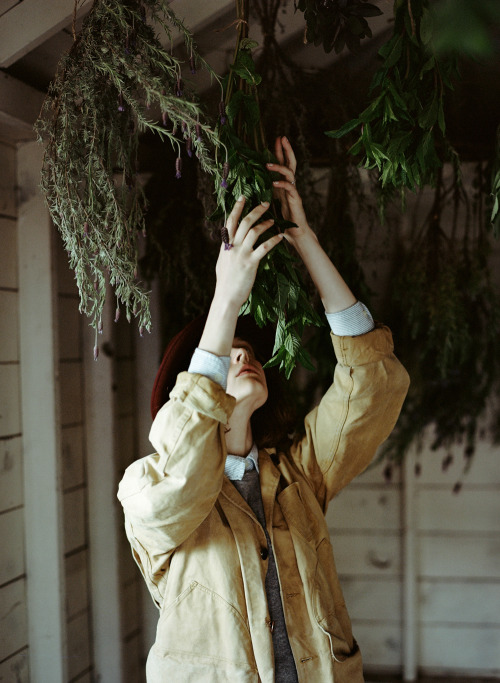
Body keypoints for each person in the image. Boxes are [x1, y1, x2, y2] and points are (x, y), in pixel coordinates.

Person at [117, 137, 410, 682]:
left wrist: (307, 244)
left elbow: (372, 383)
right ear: (193, 391)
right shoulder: (147, 489)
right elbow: (183, 475)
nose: (241, 356)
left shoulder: (300, 473)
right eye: (221, 358)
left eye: (247, 352)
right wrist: (225, 299)